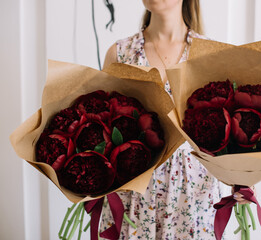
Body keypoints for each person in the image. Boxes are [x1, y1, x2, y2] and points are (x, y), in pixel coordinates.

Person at [101, 0, 249, 239]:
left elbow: (231, 130)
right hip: (132, 197)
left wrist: (245, 178)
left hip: (192, 196)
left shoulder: (210, 53)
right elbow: (104, 131)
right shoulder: (120, 53)